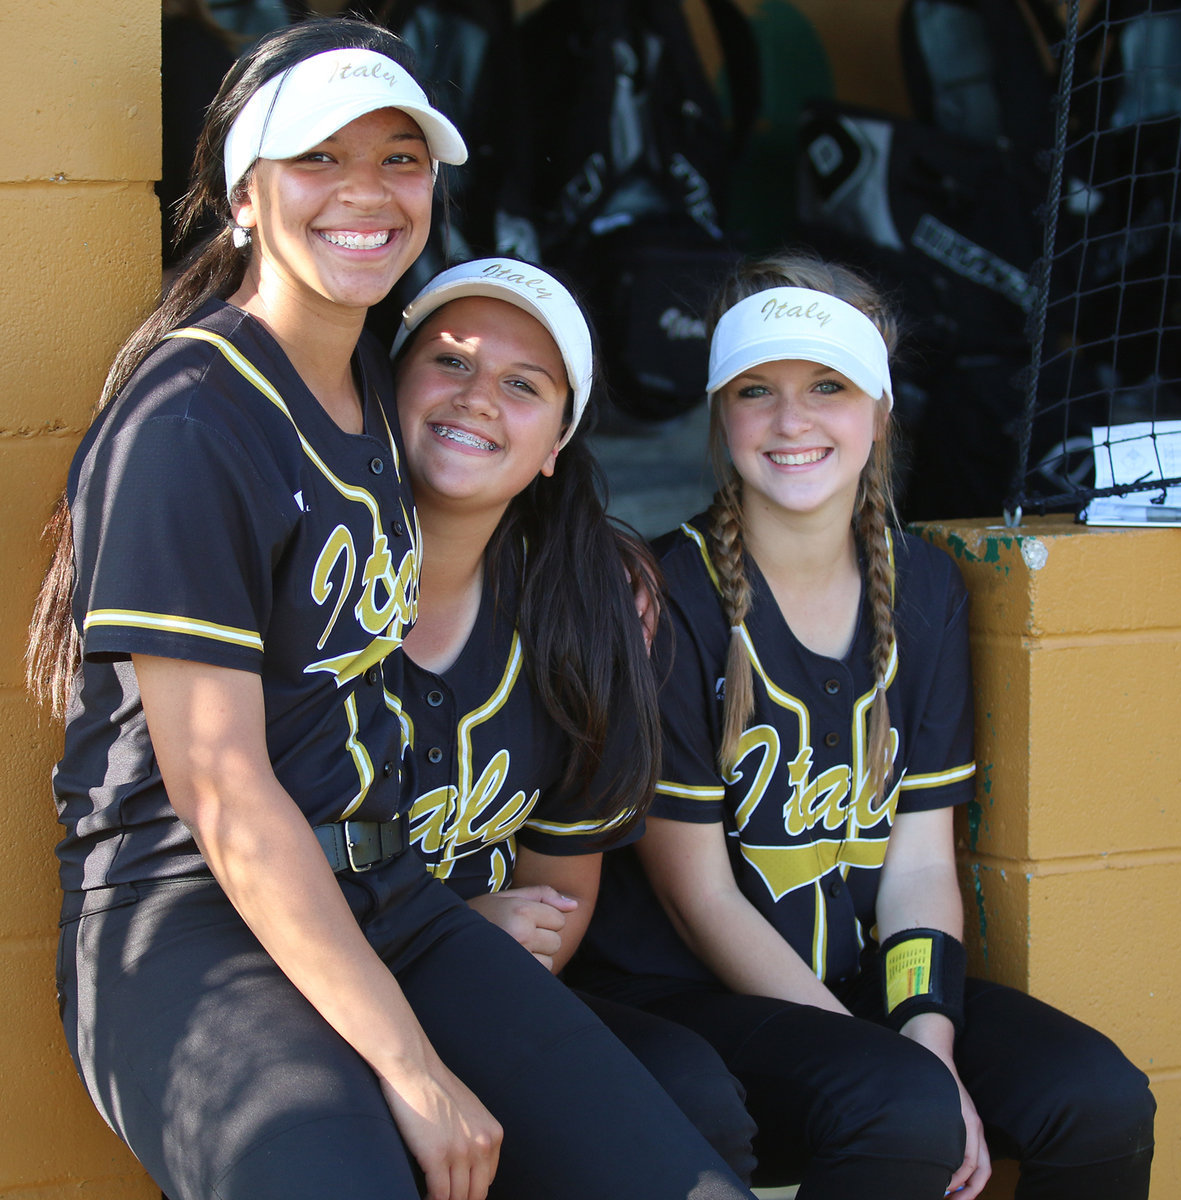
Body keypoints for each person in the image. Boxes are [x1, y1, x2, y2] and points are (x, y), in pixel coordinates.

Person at [27, 19, 756, 1200]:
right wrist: (412, 1070)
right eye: (319, 158)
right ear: (244, 198)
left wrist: (600, 553)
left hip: (389, 895)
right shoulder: (191, 422)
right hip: (191, 918)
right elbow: (223, 797)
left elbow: (489, 436)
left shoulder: (375, 380)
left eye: (400, 160)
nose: (365, 193)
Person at [570, 251, 1157, 1199]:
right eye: (757, 390)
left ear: (879, 406)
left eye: (828, 386)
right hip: (697, 998)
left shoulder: (923, 587)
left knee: (1099, 1098)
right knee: (902, 1107)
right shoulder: (666, 598)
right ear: (720, 411)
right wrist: (901, 1065)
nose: (792, 421)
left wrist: (927, 1028)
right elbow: (700, 900)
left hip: (854, 979)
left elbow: (920, 866)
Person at [389, 256, 757, 1181]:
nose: (479, 398)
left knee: (695, 1094)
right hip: (313, 998)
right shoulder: (305, 578)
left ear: (557, 441)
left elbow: (557, 905)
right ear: (386, 389)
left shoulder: (583, 610)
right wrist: (463, 930)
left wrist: (485, 971)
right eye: (450, 361)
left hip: (490, 989)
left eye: (523, 385)